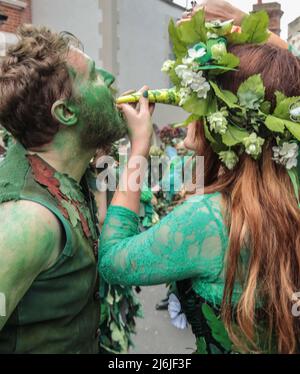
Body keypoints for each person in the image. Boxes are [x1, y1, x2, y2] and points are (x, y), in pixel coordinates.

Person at [100, 3, 300, 354]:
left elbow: (114, 260)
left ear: (220, 120)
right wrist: (259, 34)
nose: (188, 109)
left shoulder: (211, 219)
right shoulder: (290, 190)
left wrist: (138, 150)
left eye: (198, 100)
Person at [0, 25, 125, 353]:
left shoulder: (65, 168)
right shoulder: (28, 220)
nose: (110, 79)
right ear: (66, 113)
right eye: (96, 76)